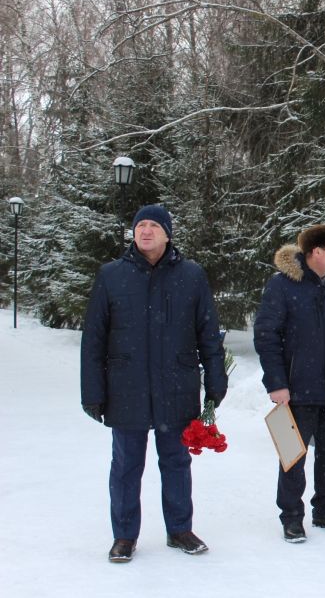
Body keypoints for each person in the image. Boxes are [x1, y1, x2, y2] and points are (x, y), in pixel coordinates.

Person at [81, 204, 227, 563]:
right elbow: (94, 339)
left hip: (176, 384)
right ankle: (124, 536)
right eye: (140, 225)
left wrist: (216, 380)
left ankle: (180, 529)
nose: (145, 231)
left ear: (167, 232)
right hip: (125, 386)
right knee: (127, 464)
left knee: (176, 461)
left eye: (153, 225)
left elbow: (208, 332)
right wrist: (93, 392)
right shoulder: (111, 275)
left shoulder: (191, 275)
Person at [253, 224, 325, 542]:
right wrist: (276, 382)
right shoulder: (283, 285)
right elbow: (266, 336)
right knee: (292, 455)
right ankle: (291, 516)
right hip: (295, 390)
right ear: (316, 252)